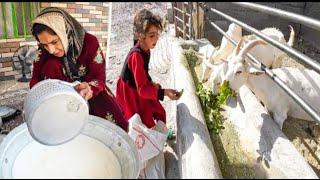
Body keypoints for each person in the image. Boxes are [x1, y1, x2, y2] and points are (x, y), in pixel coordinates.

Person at [29, 7, 128, 131]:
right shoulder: (43, 52)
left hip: (90, 95)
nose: (51, 50)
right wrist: (46, 96)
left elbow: (99, 77)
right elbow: (35, 79)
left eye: (55, 42)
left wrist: (89, 87)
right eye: (44, 44)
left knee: (107, 131)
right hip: (60, 100)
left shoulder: (89, 43)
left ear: (65, 32)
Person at [116, 8, 180, 130]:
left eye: (157, 34)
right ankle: (151, 143)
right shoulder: (136, 56)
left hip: (140, 86)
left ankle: (161, 133)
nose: (156, 39)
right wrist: (164, 92)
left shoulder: (146, 49)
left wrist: (151, 83)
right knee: (143, 124)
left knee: (159, 110)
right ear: (141, 35)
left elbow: (143, 73)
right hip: (131, 92)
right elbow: (142, 90)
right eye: (151, 35)